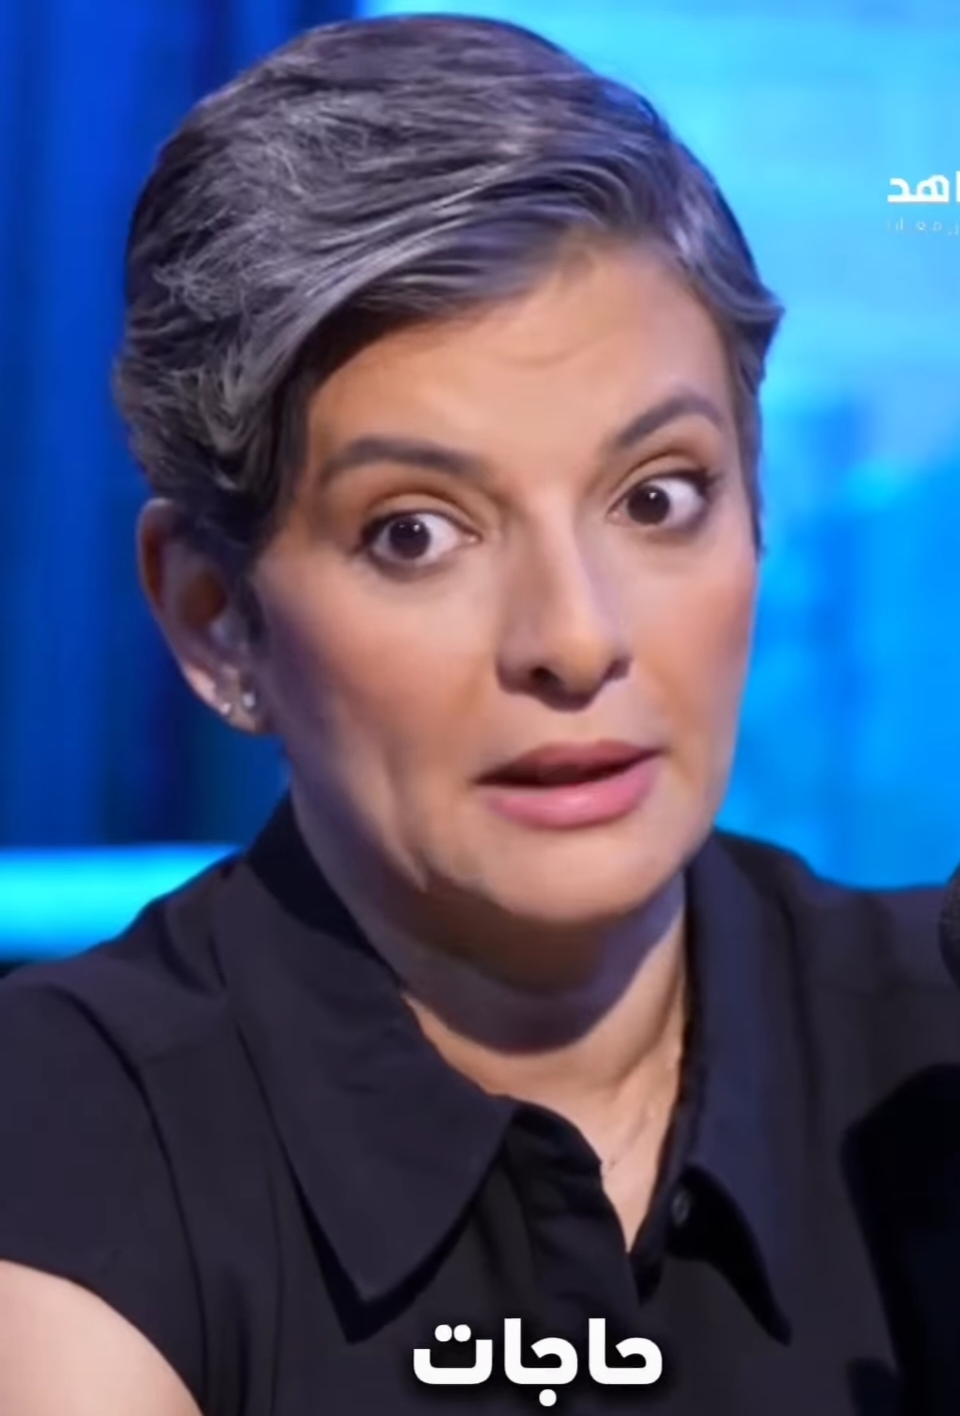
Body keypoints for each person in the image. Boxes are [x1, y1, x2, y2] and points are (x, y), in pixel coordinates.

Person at [0, 12, 958, 1415]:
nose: (575, 639)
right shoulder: (65, 1124)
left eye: (657, 498)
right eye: (415, 533)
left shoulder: (934, 1042)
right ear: (217, 618)